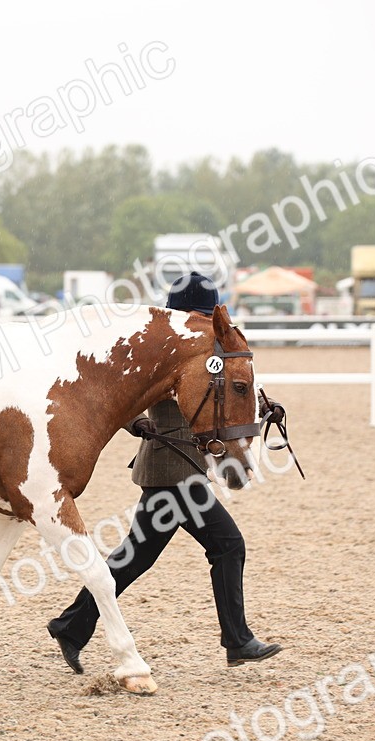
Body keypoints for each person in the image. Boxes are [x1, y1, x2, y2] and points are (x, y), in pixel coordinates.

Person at [46, 272, 284, 673]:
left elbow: (224, 397)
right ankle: (238, 640)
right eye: (204, 313)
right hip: (173, 466)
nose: (208, 322)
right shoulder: (162, 347)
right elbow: (117, 388)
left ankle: (71, 625)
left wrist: (263, 410)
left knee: (135, 557)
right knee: (227, 545)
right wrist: (134, 421)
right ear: (190, 312)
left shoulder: (201, 347)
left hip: (179, 466)